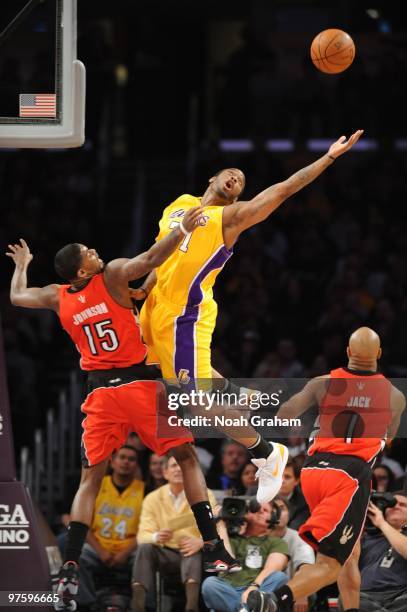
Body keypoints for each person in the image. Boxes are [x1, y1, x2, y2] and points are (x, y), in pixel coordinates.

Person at [6, 209, 238, 611]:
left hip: (100, 394)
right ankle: (215, 547)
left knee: (89, 480)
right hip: (141, 387)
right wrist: (182, 229)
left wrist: (23, 267)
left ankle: (71, 566)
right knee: (185, 456)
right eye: (89, 253)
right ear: (82, 271)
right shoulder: (111, 275)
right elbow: (150, 259)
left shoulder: (56, 295)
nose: (96, 253)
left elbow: (16, 296)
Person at [136, 130, 363, 505]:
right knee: (149, 377)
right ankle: (269, 402)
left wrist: (328, 158)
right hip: (154, 307)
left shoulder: (230, 217)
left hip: (184, 317)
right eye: (231, 173)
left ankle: (266, 453)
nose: (235, 179)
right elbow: (161, 255)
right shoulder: (179, 204)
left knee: (195, 402)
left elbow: (284, 189)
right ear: (212, 178)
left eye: (241, 181)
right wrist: (143, 288)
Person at [246, 326, 406, 612]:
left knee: (350, 552)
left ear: (347, 352)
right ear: (379, 354)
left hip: (312, 471)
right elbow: (388, 440)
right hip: (350, 478)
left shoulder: (323, 382)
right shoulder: (395, 396)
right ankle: (273, 599)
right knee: (330, 565)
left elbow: (285, 414)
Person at [132, 454, 218, 612]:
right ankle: (138, 605)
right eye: (173, 466)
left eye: (182, 466)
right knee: (145, 548)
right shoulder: (152, 498)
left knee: (192, 550)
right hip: (165, 552)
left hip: (194, 552)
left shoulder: (205, 494)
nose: (178, 469)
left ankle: (191, 607)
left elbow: (216, 526)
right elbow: (142, 535)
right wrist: (156, 536)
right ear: (164, 473)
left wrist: (201, 542)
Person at [202, 501, 289, 612]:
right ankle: (246, 609)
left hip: (258, 591)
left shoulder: (276, 542)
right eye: (256, 508)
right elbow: (225, 565)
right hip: (228, 590)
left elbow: (272, 568)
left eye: (266, 510)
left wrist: (253, 587)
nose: (260, 511)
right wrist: (220, 524)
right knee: (209, 584)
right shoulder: (230, 538)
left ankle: (247, 607)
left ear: (272, 519)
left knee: (279, 577)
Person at [351, 491, 407, 612]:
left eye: (403, 505)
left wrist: (381, 523)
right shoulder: (365, 538)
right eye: (392, 503)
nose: (396, 506)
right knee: (349, 599)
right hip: (365, 596)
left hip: (400, 595)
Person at [270, 497, 315, 612]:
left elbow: (306, 567)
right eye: (272, 509)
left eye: (281, 508)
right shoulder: (255, 537)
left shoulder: (300, 538)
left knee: (309, 594)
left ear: (289, 513)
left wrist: (302, 593)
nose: (278, 513)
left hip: (290, 592)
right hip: (261, 589)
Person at [278, 457, 309, 531]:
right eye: (278, 476)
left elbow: (294, 529)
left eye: (287, 477)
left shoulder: (303, 503)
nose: (282, 481)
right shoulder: (256, 492)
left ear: (296, 481)